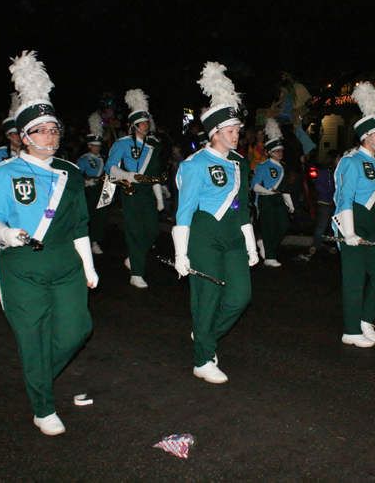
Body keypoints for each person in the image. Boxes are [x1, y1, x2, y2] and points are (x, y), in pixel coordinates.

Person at [0, 51, 97, 435]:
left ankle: (38, 379)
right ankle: (43, 406)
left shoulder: (72, 173)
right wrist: (3, 234)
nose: (51, 135)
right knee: (33, 337)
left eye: (54, 129)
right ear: (24, 136)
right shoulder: (4, 172)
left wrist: (89, 266)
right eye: (42, 130)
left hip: (66, 264)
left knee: (76, 330)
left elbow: (80, 225)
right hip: (22, 266)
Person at [172, 61, 258, 383]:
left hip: (233, 235)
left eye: (238, 130)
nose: (238, 136)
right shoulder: (194, 164)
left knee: (240, 296)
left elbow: (242, 206)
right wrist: (181, 254)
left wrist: (250, 244)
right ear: (215, 132)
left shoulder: (240, 164)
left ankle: (204, 336)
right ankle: (203, 359)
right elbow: (183, 211)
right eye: (232, 131)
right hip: (204, 237)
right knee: (206, 300)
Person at [333, 82, 375, 347]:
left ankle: (365, 319)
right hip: (352, 222)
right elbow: (345, 198)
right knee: (354, 280)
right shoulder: (350, 161)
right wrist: (348, 232)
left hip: (373, 222)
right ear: (366, 136)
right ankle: (350, 330)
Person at [105, 89, 164, 289]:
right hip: (131, 190)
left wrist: (159, 197)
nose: (145, 126)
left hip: (147, 191)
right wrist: (125, 175)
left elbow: (155, 174)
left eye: (147, 123)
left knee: (153, 230)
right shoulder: (122, 143)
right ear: (133, 126)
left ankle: (134, 257)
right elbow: (110, 165)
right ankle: (136, 273)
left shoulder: (154, 146)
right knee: (134, 231)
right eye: (141, 123)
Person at [251, 119, 294, 267]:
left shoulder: (284, 167)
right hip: (266, 200)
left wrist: (290, 203)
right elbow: (254, 185)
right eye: (277, 151)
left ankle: (265, 245)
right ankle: (270, 257)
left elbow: (284, 188)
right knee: (268, 228)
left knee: (283, 226)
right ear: (270, 152)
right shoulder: (263, 166)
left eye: (281, 150)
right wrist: (266, 192)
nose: (280, 153)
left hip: (278, 199)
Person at [76, 112, 107, 255]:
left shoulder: (103, 159)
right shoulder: (83, 159)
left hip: (100, 188)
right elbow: (77, 176)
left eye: (98, 146)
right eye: (94, 146)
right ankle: (88, 241)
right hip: (89, 190)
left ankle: (96, 240)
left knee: (99, 215)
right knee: (89, 215)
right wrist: (85, 182)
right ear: (89, 145)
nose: (97, 148)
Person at [309, 149, 340, 255]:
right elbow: (318, 186)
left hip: (335, 204)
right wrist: (331, 192)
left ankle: (331, 244)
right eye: (338, 157)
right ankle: (315, 245)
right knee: (322, 225)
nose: (339, 159)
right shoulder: (324, 172)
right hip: (325, 202)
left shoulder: (338, 171)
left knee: (333, 226)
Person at [0, 93, 22, 169]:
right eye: (16, 133)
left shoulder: (31, 153)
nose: (19, 136)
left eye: (21, 133)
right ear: (8, 136)